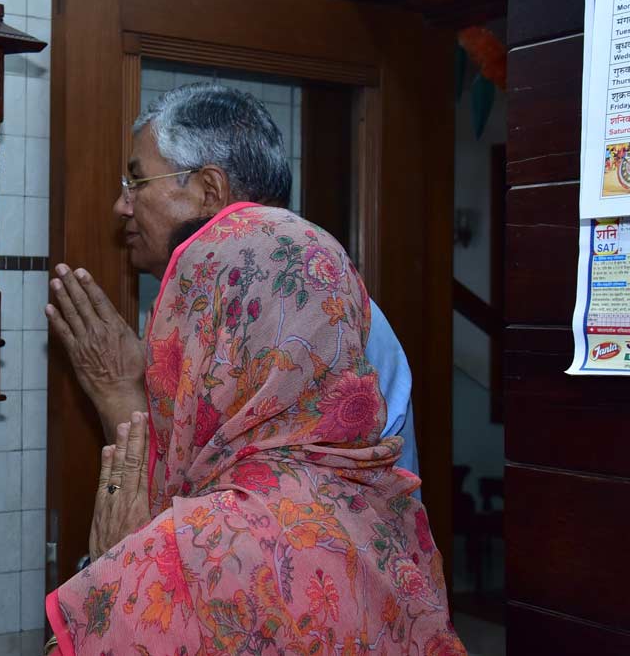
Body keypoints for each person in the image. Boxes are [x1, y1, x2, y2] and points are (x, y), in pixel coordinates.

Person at [41, 84, 459, 654]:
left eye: (136, 181)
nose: (122, 205)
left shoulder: (331, 326)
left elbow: (222, 547)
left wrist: (123, 562)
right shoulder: (273, 294)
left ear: (209, 188)